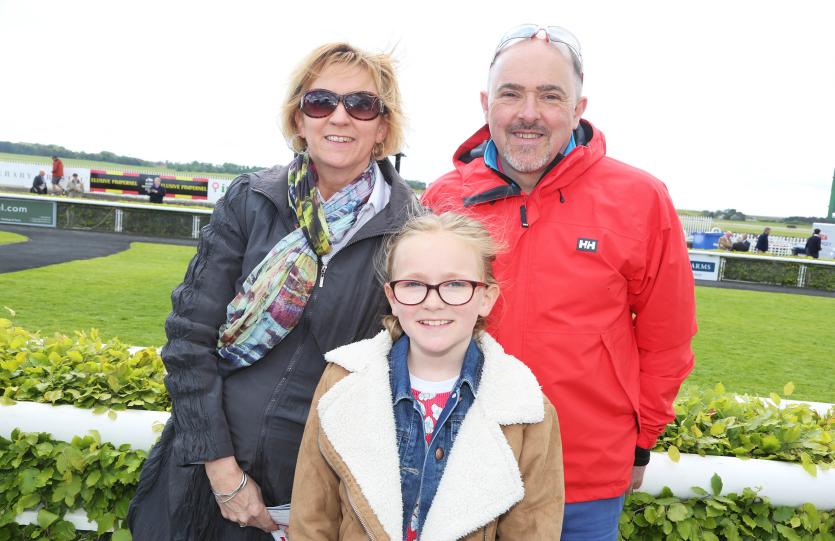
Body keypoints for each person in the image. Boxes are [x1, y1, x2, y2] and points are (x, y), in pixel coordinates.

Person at [128, 42, 414, 540]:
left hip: (310, 497)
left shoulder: (409, 231)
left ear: (383, 127)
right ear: (299, 119)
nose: (339, 117)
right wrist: (223, 474)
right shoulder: (250, 200)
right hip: (202, 479)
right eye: (321, 102)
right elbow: (188, 339)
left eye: (361, 104)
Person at [422, 24, 696, 540]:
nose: (529, 113)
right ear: (486, 104)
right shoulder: (443, 198)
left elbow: (668, 338)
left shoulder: (641, 198)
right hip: (455, 463)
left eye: (550, 96)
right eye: (512, 94)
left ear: (578, 107)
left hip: (585, 476)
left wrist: (642, 442)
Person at [290, 212, 564, 540]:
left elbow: (532, 529)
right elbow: (312, 517)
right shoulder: (342, 382)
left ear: (486, 298)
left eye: (455, 284)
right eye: (414, 284)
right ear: (392, 297)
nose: (433, 302)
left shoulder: (525, 409)